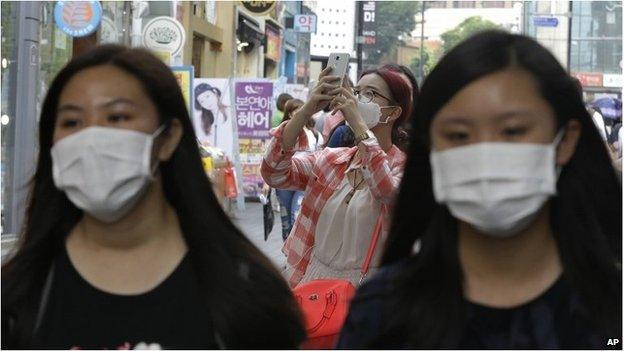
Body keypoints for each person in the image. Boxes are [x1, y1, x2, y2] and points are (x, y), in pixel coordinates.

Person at [1, 45, 305, 350]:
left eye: (117, 117)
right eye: (71, 122)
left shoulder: (247, 295)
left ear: (168, 137)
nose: (91, 139)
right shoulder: (18, 296)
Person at [338, 31, 622, 349]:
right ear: (431, 148)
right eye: (459, 135)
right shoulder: (382, 312)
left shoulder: (611, 311)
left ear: (565, 140)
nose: (486, 153)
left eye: (513, 131)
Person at [261, 64, 412, 288]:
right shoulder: (331, 160)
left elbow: (387, 191)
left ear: (393, 112)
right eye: (357, 92)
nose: (357, 100)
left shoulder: (404, 168)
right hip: (312, 286)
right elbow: (274, 173)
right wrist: (306, 110)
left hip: (367, 293)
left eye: (370, 94)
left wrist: (360, 127)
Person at [274, 99, 323, 241]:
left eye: (302, 109)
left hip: (304, 180)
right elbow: (273, 157)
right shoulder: (284, 133)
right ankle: (287, 255)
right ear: (289, 114)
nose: (300, 112)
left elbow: (321, 157)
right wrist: (267, 183)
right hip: (284, 180)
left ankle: (294, 255)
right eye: (295, 110)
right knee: (286, 221)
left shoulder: (315, 134)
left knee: (296, 216)